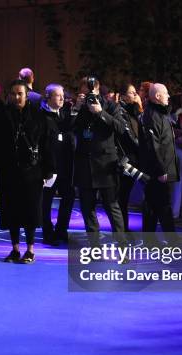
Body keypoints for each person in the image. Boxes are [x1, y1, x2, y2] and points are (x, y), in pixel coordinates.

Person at [0, 79, 55, 263]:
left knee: (31, 211)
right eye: (13, 94)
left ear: (26, 95)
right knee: (10, 211)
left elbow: (47, 144)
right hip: (7, 172)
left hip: (32, 172)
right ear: (8, 95)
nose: (16, 97)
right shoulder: (0, 115)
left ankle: (30, 250)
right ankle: (15, 249)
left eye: (20, 94)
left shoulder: (39, 116)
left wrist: (48, 170)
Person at [72, 76, 125, 239]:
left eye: (92, 90)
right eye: (86, 91)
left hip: (105, 165)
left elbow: (121, 128)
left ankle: (122, 246)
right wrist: (76, 108)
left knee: (112, 207)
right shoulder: (80, 109)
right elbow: (70, 129)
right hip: (85, 165)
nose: (90, 95)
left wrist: (100, 112)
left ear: (98, 89)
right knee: (87, 208)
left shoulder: (110, 106)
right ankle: (94, 247)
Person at [138, 83, 180, 233]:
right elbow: (153, 145)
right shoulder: (152, 115)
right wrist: (161, 169)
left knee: (153, 206)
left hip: (161, 169)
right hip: (159, 171)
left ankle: (150, 239)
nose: (169, 96)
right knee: (163, 206)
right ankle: (172, 242)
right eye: (166, 93)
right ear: (157, 96)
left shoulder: (161, 114)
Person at [40, 83, 75, 245]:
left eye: (63, 95)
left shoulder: (64, 115)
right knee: (45, 202)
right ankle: (48, 233)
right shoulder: (41, 115)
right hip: (49, 167)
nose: (62, 98)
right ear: (48, 97)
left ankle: (62, 230)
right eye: (58, 95)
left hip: (66, 166)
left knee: (69, 197)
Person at [116, 83, 143, 232]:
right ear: (124, 95)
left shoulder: (132, 110)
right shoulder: (120, 111)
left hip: (133, 159)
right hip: (126, 161)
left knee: (124, 195)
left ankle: (123, 228)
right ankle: (121, 229)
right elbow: (130, 137)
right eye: (132, 93)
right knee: (122, 196)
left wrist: (139, 109)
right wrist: (144, 149)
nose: (135, 95)